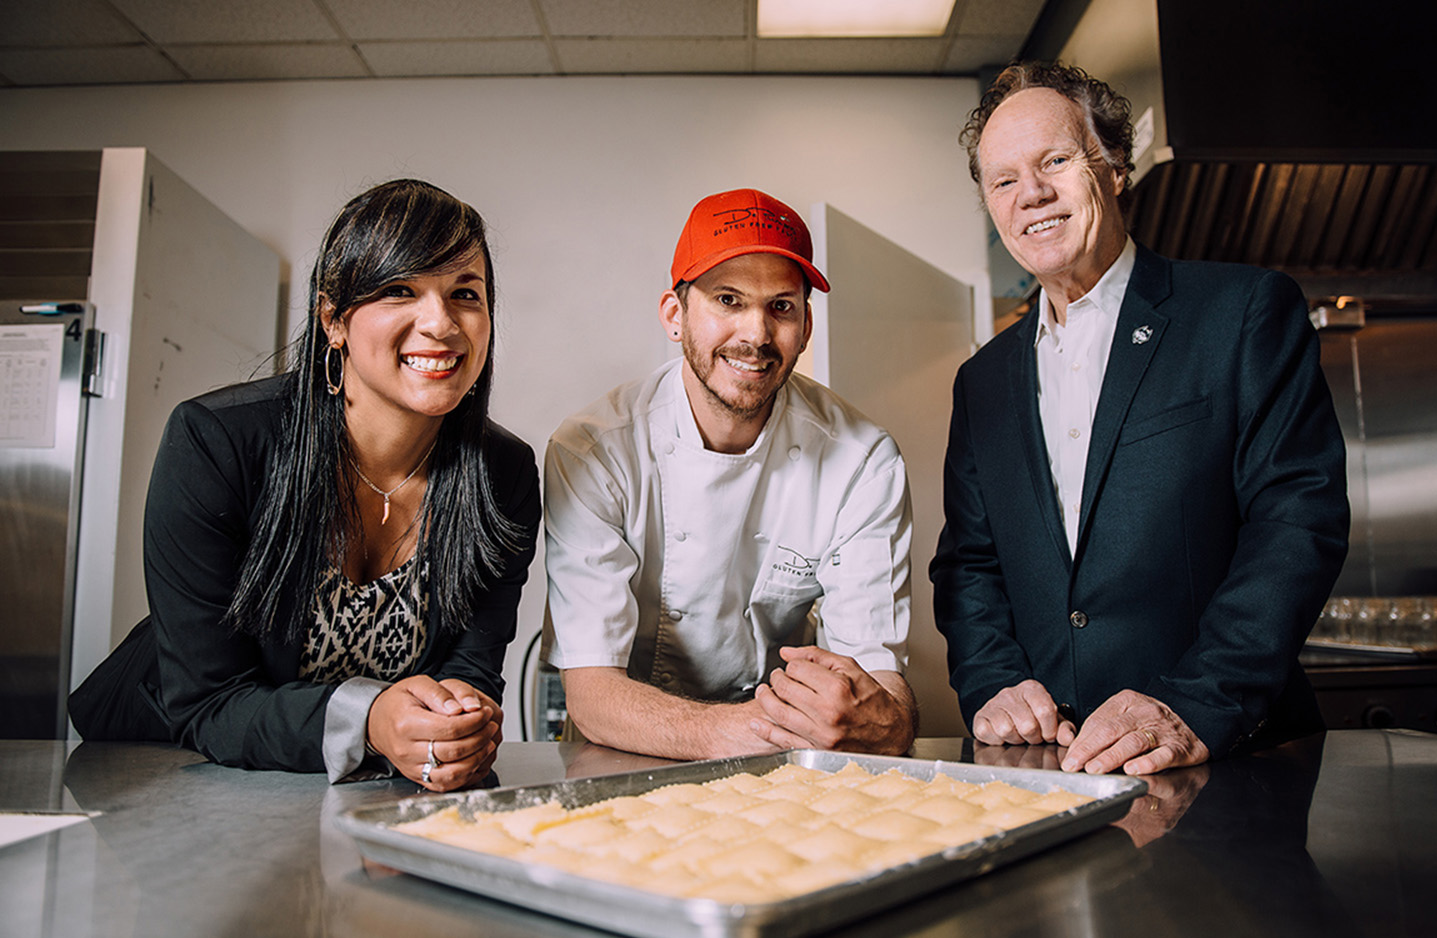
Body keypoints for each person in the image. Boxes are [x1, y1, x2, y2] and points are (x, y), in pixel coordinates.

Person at [930, 63, 1349, 776]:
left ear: (1115, 167)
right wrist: (993, 680)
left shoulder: (1241, 313)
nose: (1030, 193)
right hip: (1050, 772)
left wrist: (1196, 703)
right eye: (1003, 180)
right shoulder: (983, 381)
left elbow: (1295, 521)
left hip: (1221, 760)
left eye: (1055, 161)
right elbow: (970, 564)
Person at [68, 179, 540, 791]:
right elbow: (209, 703)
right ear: (333, 319)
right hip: (164, 772)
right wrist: (370, 717)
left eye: (465, 294)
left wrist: (459, 723)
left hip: (364, 790)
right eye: (400, 289)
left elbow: (471, 671)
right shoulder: (215, 444)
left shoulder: (503, 474)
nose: (441, 322)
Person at [540, 188, 917, 759]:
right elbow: (592, 694)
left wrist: (887, 719)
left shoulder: (862, 461)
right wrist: (755, 733)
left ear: (806, 326)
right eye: (728, 300)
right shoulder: (596, 449)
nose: (757, 334)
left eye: (782, 307)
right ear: (675, 314)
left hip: (781, 758)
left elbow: (873, 679)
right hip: (620, 748)